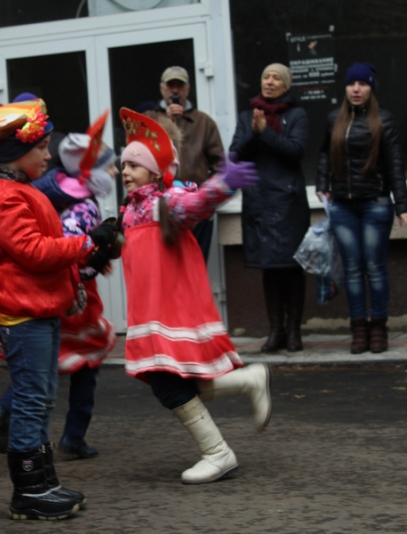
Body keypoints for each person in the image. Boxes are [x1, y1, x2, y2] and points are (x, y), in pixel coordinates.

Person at [0, 99, 118, 520]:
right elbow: (33, 251)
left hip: (38, 307)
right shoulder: (4, 195)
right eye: (41, 148)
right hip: (23, 311)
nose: (48, 155)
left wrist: (89, 250)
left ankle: (43, 482)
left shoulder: (18, 190)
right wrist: (88, 242)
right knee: (34, 401)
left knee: (40, 399)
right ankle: (29, 490)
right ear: (18, 153)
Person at [116, 107, 271, 484]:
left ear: (154, 171)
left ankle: (218, 453)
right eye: (123, 166)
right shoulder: (129, 212)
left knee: (167, 385)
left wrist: (222, 185)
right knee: (176, 382)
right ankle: (248, 382)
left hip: (169, 313)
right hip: (151, 312)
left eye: (134, 165)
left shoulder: (165, 202)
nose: (125, 171)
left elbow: (196, 204)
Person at [316, 62, 407, 354]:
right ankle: (358, 328)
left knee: (374, 267)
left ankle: (379, 328)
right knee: (352, 268)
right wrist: (322, 182)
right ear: (345, 88)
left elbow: (396, 164)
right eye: (351, 84)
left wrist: (404, 206)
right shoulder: (334, 119)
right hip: (343, 206)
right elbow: (323, 153)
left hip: (376, 204)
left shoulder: (384, 120)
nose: (356, 89)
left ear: (371, 88)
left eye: (362, 84)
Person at [229, 63, 310, 353]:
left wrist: (266, 133)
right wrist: (253, 131)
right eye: (266, 76)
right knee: (270, 269)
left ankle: (294, 332)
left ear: (286, 86)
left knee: (291, 267)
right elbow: (235, 155)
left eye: (277, 78)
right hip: (259, 203)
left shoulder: (297, 115)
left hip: (288, 203)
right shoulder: (247, 117)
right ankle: (275, 331)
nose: (270, 82)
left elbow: (296, 152)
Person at [160, 66, 225, 262]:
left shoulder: (204, 122)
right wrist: (166, 121)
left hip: (196, 209)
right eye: (171, 85)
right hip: (160, 208)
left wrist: (206, 197)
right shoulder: (151, 119)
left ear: (187, 89)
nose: (175, 90)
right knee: (167, 268)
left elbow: (220, 165)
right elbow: (140, 156)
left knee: (196, 266)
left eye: (179, 85)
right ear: (162, 88)